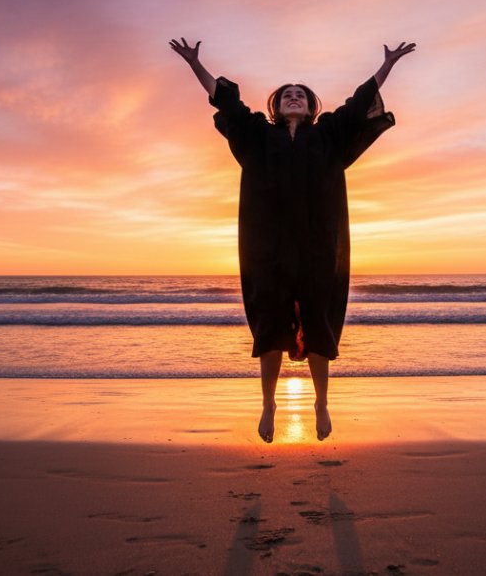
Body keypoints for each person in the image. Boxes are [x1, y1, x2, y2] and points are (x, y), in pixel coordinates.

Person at [169, 37, 416, 442]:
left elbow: (359, 103)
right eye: (287, 94)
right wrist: (196, 64)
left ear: (311, 105)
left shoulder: (330, 135)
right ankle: (268, 404)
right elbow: (226, 102)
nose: (294, 96)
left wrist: (387, 65)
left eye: (300, 94)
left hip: (319, 247)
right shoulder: (257, 136)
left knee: (319, 325)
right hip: (268, 250)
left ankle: (321, 402)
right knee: (269, 326)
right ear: (277, 106)